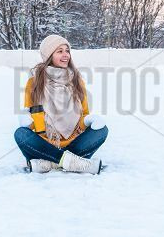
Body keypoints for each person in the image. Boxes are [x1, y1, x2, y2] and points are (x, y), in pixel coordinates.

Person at [14, 34, 108, 174]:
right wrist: (27, 121)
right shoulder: (34, 83)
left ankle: (51, 164)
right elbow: (33, 115)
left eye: (67, 50)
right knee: (21, 134)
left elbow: (84, 116)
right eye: (60, 51)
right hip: (44, 145)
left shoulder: (77, 81)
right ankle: (73, 163)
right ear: (49, 55)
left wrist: (89, 120)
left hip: (74, 144)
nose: (66, 55)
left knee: (102, 130)